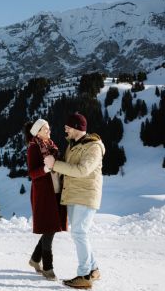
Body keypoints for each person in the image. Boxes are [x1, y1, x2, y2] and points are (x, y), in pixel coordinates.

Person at [44, 112, 104, 289]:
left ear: (77, 128)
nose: (65, 130)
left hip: (85, 195)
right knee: (79, 233)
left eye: (67, 127)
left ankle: (84, 275)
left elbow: (82, 170)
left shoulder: (93, 147)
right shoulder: (73, 145)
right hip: (73, 195)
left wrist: (55, 165)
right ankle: (93, 269)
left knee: (79, 233)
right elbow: (68, 168)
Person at [23, 119, 67, 281]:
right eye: (46, 129)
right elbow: (32, 173)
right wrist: (46, 168)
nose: (49, 131)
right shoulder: (33, 148)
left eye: (49, 128)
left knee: (53, 227)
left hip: (55, 192)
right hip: (43, 195)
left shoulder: (51, 146)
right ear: (38, 131)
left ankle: (35, 259)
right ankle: (48, 268)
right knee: (49, 229)